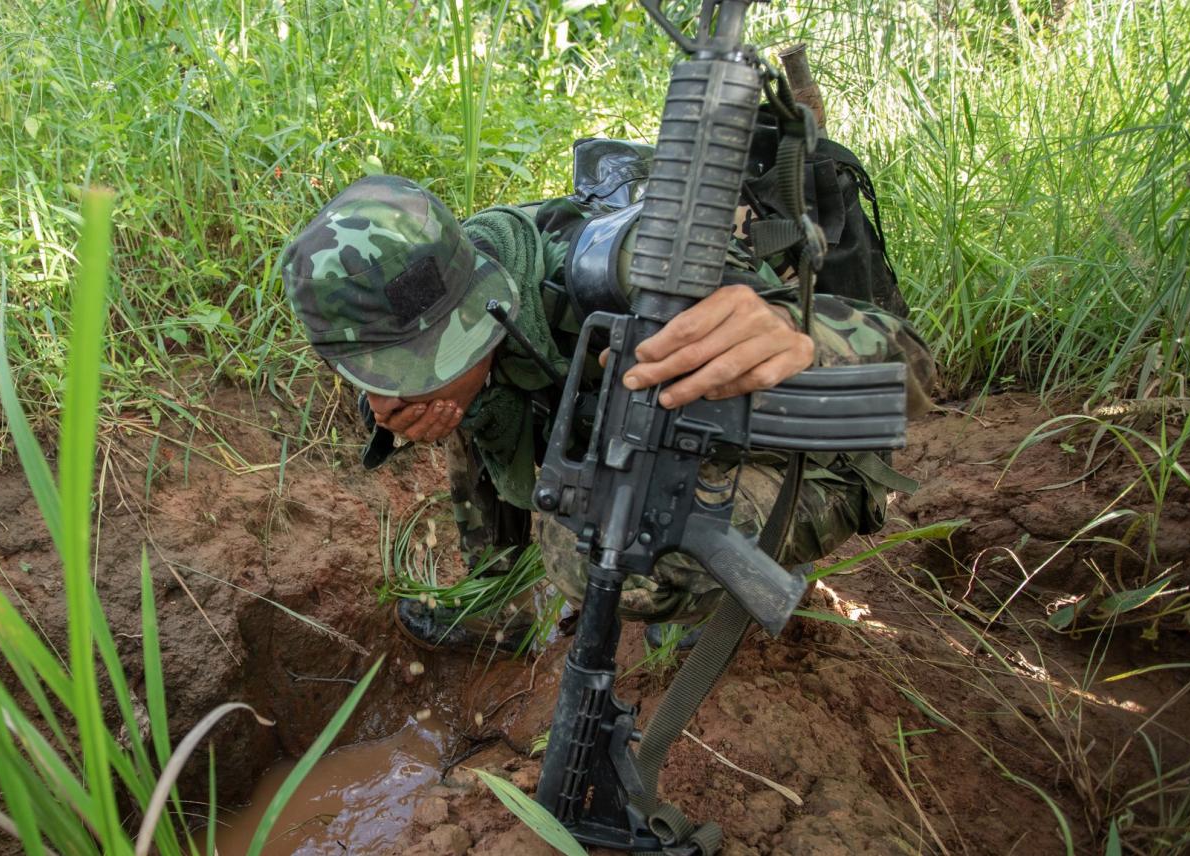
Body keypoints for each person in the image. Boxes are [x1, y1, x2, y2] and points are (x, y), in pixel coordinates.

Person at [280, 172, 935, 653]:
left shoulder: (643, 280)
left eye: (419, 362)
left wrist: (793, 332)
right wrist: (416, 401)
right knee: (471, 398)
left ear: (483, 296)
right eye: (373, 374)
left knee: (584, 551)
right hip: (649, 427)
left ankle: (719, 582)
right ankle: (497, 598)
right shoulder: (433, 268)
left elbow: (915, 371)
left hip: (800, 452)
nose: (392, 394)